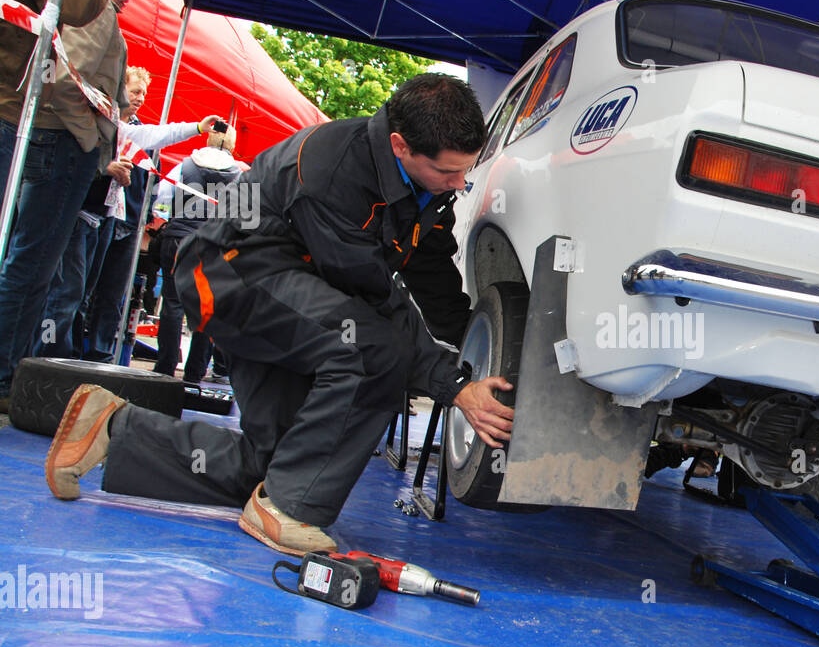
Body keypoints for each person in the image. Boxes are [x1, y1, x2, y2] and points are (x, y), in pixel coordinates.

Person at [47, 74, 515, 557]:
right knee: (376, 351)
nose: (460, 183)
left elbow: (430, 269)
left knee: (280, 464)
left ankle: (110, 428)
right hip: (228, 278)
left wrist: (478, 354)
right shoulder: (335, 172)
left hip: (287, 288)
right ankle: (289, 511)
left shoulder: (422, 179)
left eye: (466, 171)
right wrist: (455, 387)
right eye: (449, 172)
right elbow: (375, 301)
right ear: (400, 145)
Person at [0, 0, 149, 409]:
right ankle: (5, 377)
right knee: (34, 266)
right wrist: (91, 140)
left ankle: (9, 374)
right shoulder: (91, 1)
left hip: (54, 140)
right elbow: (65, 79)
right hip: (60, 145)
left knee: (37, 268)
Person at [83, 68, 217, 362]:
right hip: (109, 218)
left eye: (143, 93)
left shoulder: (184, 164)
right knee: (203, 308)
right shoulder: (109, 125)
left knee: (163, 303)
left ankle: (147, 362)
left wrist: (157, 218)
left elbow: (161, 195)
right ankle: (189, 370)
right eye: (135, 91)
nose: (140, 98)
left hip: (138, 226)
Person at [150, 118, 245, 381]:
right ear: (232, 144)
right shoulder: (241, 174)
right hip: (216, 245)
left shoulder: (185, 165)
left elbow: (162, 200)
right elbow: (248, 220)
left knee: (172, 304)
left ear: (209, 137)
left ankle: (165, 369)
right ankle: (194, 373)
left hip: (178, 238)